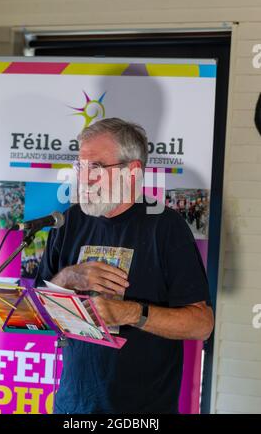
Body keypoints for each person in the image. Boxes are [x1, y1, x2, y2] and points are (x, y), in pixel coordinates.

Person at [35, 118, 214, 414]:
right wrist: (70, 275)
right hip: (73, 405)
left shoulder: (166, 228)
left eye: (96, 168)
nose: (84, 178)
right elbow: (39, 307)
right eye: (80, 167)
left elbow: (202, 324)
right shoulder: (68, 222)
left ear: (131, 172)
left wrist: (129, 312)